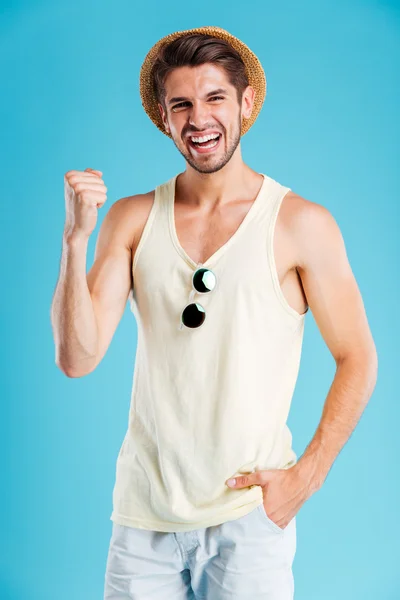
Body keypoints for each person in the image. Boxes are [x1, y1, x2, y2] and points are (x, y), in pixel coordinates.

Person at [51, 25, 378, 600]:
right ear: (164, 115)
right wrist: (75, 240)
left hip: (249, 521)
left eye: (214, 98)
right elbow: (78, 358)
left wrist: (306, 477)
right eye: (181, 104)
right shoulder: (130, 219)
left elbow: (358, 357)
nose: (198, 119)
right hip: (143, 517)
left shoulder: (301, 224)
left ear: (245, 102)